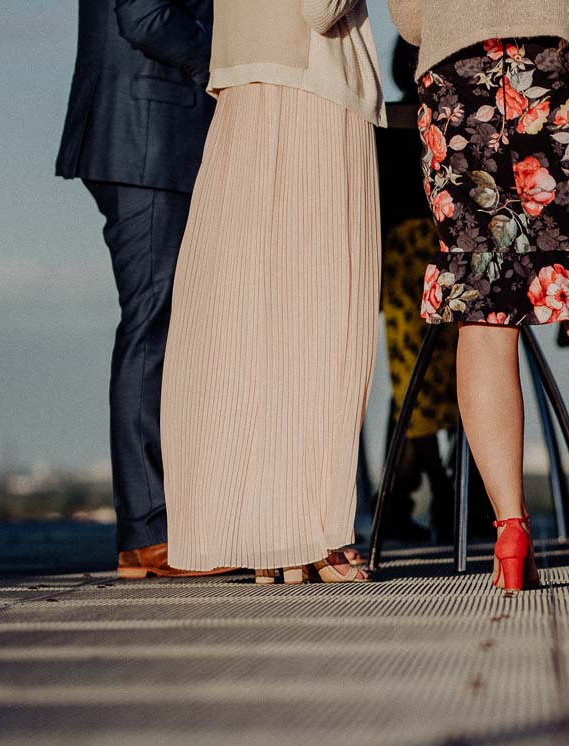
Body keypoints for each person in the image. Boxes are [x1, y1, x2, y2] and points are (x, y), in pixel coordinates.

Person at [387, 0, 569, 591]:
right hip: (556, 65)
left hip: (458, 85)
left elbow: (412, 18)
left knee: (486, 315)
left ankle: (511, 532)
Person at [159, 0, 385, 584]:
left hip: (243, 90)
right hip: (312, 90)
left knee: (246, 315)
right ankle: (313, 531)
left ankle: (269, 533)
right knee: (320, 315)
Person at [57, 0, 231, 581]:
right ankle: (149, 530)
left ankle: (159, 524)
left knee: (166, 327)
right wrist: (227, 58)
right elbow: (145, 15)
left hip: (146, 135)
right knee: (153, 327)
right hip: (146, 138)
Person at [378, 36, 466, 545]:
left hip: (404, 266)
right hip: (440, 258)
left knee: (412, 391)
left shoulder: (383, 125)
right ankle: (456, 498)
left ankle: (411, 497)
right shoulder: (453, 123)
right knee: (454, 384)